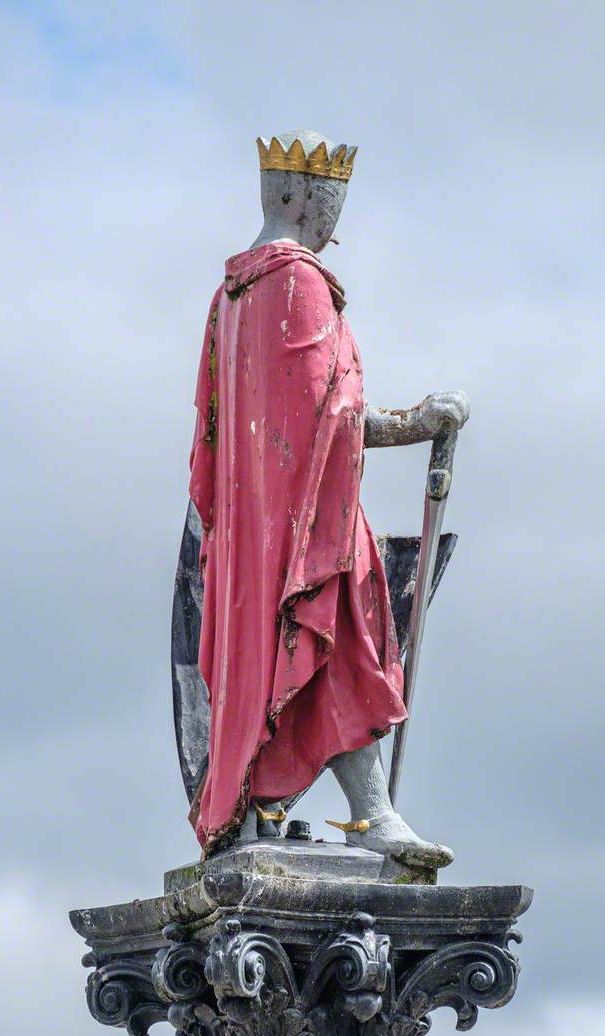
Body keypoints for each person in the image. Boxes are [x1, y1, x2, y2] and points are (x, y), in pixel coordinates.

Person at [188, 131, 469, 868]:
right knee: (346, 646)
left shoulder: (230, 296)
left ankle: (262, 807)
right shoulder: (298, 282)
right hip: (308, 526)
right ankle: (372, 815)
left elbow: (223, 435)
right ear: (298, 196)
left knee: (299, 653)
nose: (333, 222)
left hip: (257, 533)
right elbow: (330, 417)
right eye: (330, 203)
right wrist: (423, 422)